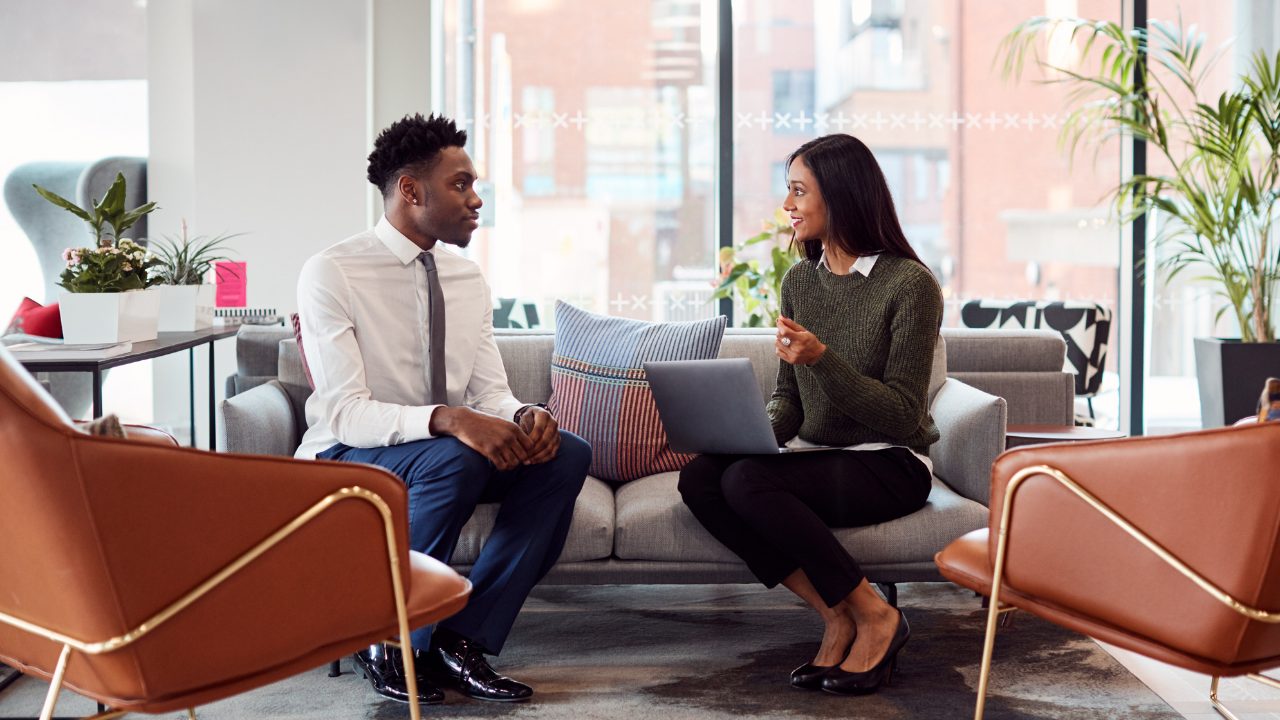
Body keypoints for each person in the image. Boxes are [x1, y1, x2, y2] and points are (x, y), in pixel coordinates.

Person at [295, 113, 591, 706]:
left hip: (447, 453)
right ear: (410, 190)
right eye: (461, 184)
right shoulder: (333, 271)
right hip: (350, 450)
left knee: (566, 456)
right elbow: (347, 412)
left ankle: (462, 636)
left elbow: (488, 393)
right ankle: (389, 637)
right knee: (453, 458)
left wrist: (525, 415)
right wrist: (448, 419)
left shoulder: (466, 277)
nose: (476, 199)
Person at [678, 133, 942, 696]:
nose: (787, 206)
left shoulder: (910, 285)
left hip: (890, 464)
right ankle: (835, 612)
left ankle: (877, 615)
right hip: (819, 458)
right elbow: (789, 400)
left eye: (798, 191)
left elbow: (900, 414)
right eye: (788, 191)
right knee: (702, 476)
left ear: (840, 196)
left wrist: (822, 359)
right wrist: (744, 433)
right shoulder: (800, 280)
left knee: (747, 482)